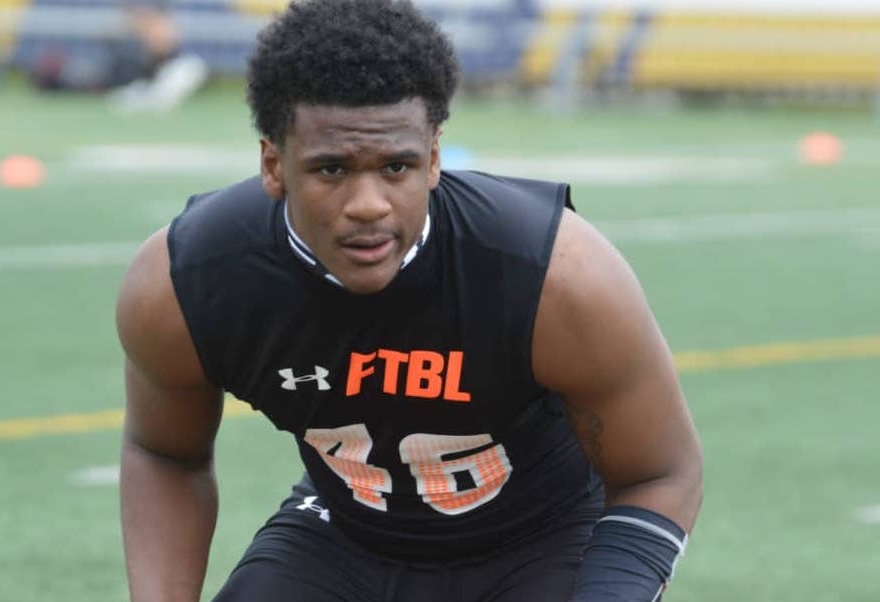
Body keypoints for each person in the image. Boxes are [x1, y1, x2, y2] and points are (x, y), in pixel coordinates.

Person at [116, 1, 703, 600]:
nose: (369, 204)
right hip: (346, 535)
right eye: (331, 170)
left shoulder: (553, 274)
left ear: (435, 159)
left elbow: (657, 474)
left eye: (397, 166)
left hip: (541, 540)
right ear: (274, 165)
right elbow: (165, 453)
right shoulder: (189, 279)